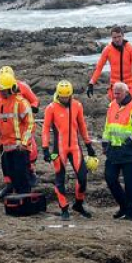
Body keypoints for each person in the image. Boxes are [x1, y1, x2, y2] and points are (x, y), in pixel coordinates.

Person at [42, 80, 97, 220]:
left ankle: (78, 204)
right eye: (62, 97)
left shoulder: (77, 105)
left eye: (67, 97)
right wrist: (45, 149)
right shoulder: (51, 108)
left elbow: (82, 126)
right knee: (60, 180)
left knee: (83, 178)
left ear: (71, 95)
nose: (65, 99)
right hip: (58, 149)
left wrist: (88, 144)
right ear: (58, 94)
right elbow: (45, 130)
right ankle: (64, 208)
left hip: (75, 147)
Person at [0, 66, 40, 198]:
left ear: (11, 89)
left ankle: (25, 198)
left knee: (21, 173)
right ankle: (16, 198)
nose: (1, 93)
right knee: (10, 173)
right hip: (6, 146)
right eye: (0, 91)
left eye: (3, 91)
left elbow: (30, 124)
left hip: (20, 147)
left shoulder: (21, 103)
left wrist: (24, 142)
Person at [102, 82, 132, 221]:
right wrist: (105, 143)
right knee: (110, 178)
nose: (115, 96)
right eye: (114, 93)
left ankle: (131, 212)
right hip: (114, 149)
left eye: (118, 93)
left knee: (130, 182)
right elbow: (108, 125)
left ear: (126, 92)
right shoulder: (112, 105)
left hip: (130, 151)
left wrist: (128, 144)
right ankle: (123, 206)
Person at [87, 26, 132, 101]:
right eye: (114, 37)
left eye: (119, 36)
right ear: (111, 38)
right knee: (115, 111)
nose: (117, 39)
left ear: (123, 36)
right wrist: (91, 83)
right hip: (115, 87)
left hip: (129, 85)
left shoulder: (130, 48)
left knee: (130, 111)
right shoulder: (107, 49)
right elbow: (99, 67)